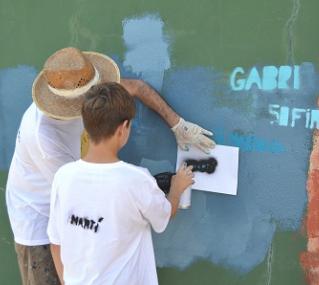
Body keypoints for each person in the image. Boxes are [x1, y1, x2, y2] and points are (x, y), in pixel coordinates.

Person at [5, 47, 214, 285]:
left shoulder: (94, 97)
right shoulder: (44, 138)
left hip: (73, 222)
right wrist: (161, 189)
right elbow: (90, 195)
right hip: (38, 216)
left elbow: (136, 88)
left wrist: (177, 124)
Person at [47, 82, 193, 285]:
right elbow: (165, 215)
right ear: (123, 129)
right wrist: (177, 187)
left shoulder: (63, 176)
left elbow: (56, 243)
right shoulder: (136, 180)